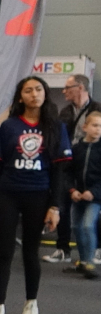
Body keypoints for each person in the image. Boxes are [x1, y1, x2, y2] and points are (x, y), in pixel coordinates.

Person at [0, 76, 72, 314]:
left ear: (45, 94)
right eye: (28, 90)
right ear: (21, 97)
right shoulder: (9, 126)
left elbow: (59, 173)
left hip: (39, 195)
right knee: (5, 252)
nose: (34, 94)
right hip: (8, 194)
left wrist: (55, 207)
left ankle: (31, 302)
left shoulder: (56, 127)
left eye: (38, 89)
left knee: (31, 251)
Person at [44, 74, 101, 264]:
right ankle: (63, 249)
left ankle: (96, 251)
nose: (64, 91)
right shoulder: (65, 111)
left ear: (80, 88)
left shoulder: (97, 109)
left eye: (68, 87)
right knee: (62, 204)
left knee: (92, 215)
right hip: (70, 162)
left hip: (94, 165)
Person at [65, 110, 101, 279]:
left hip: (95, 198)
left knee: (87, 225)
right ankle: (83, 260)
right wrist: (72, 190)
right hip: (78, 196)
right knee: (76, 227)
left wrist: (93, 192)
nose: (98, 129)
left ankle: (90, 262)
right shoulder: (76, 148)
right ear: (85, 127)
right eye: (95, 125)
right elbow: (68, 173)